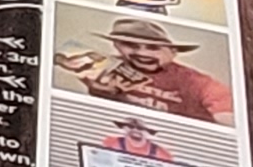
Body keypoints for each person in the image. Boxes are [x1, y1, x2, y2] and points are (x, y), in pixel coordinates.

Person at [59, 16, 233, 125]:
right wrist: (100, 95)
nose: (142, 53)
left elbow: (228, 118)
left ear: (172, 52)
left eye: (153, 48)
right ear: (116, 45)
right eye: (130, 45)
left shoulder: (197, 82)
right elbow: (62, 58)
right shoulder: (105, 66)